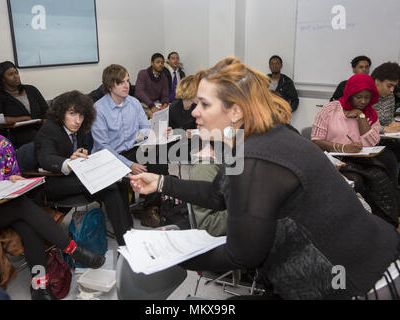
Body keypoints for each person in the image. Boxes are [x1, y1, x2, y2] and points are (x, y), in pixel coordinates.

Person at [130, 57, 400, 300]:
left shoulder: (255, 159)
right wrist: (162, 182)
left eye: (204, 104)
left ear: (235, 111)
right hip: (368, 259)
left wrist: (170, 256)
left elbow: (243, 254)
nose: (193, 112)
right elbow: (217, 193)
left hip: (362, 282)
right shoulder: (261, 137)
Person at [0, 104, 105, 300]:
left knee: (30, 227)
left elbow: (13, 174)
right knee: (22, 208)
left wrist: (14, 179)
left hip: (8, 205)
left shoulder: (2, 144)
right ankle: (72, 249)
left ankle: (40, 287)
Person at [34, 90, 132, 246]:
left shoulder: (78, 129)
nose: (77, 120)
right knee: (106, 181)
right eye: (72, 114)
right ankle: (125, 239)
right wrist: (68, 162)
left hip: (76, 178)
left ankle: (126, 238)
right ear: (61, 113)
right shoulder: (49, 129)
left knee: (112, 187)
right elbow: (46, 158)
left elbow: (84, 145)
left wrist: (83, 151)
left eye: (81, 116)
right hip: (52, 182)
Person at [311, 73, 399, 227]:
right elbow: (316, 140)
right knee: (356, 181)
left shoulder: (370, 114)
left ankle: (379, 225)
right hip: (332, 160)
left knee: (380, 177)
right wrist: (343, 147)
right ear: (350, 94)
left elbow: (371, 143)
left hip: (360, 160)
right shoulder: (330, 110)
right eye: (359, 97)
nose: (363, 101)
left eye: (367, 97)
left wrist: (361, 117)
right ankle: (352, 224)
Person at [92, 64, 169, 222]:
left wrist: (157, 131)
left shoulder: (133, 103)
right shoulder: (98, 109)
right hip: (108, 156)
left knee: (159, 158)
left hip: (132, 149)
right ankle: (123, 216)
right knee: (124, 219)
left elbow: (145, 127)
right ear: (109, 85)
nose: (127, 85)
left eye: (127, 80)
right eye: (121, 82)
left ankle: (149, 208)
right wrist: (129, 165)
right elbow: (103, 147)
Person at [0, 61, 48, 149]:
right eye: (11, 74)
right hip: (16, 133)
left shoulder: (31, 89)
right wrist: (24, 118)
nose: (16, 77)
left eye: (16, 73)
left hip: (40, 128)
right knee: (39, 141)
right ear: (2, 78)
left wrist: (46, 120)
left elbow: (46, 110)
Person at [134, 53, 170, 119]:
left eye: (162, 62)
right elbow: (139, 92)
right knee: (155, 118)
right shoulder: (143, 73)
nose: (160, 64)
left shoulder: (164, 77)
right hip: (143, 103)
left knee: (166, 116)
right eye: (157, 62)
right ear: (152, 63)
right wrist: (151, 106)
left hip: (156, 103)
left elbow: (165, 94)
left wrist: (165, 105)